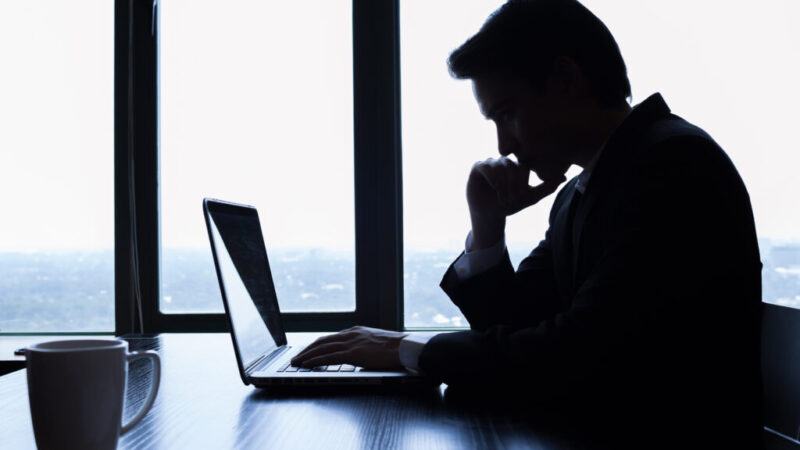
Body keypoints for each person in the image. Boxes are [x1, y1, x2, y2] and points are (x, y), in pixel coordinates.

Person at [293, 0, 762, 446]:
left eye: (506, 113)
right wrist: (486, 224)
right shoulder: (582, 193)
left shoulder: (672, 165)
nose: (502, 146)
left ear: (564, 79)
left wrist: (410, 350)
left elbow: (573, 356)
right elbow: (514, 328)